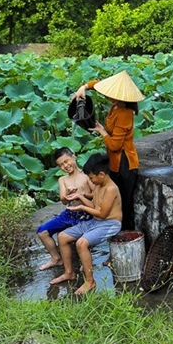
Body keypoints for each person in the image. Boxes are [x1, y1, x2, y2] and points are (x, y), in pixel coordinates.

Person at [73, 70, 144, 232]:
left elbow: (115, 146)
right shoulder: (116, 105)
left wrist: (102, 131)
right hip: (114, 161)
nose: (109, 97)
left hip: (125, 163)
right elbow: (96, 84)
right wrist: (83, 88)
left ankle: (127, 236)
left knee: (124, 204)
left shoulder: (125, 114)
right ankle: (112, 233)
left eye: (114, 95)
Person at [49, 153, 122, 295]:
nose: (90, 180)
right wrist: (80, 197)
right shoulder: (99, 185)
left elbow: (102, 213)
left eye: (91, 177)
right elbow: (95, 206)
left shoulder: (111, 188)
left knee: (81, 243)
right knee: (62, 237)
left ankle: (90, 281)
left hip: (110, 223)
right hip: (96, 221)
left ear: (101, 174)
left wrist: (81, 207)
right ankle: (69, 272)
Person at [36, 147, 94, 271]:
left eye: (67, 161)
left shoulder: (87, 175)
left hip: (86, 213)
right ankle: (56, 258)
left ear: (74, 156)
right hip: (69, 213)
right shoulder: (62, 180)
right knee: (42, 231)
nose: (65, 166)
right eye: (61, 165)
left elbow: (96, 194)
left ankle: (86, 260)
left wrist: (82, 194)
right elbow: (63, 200)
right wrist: (68, 194)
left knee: (83, 236)